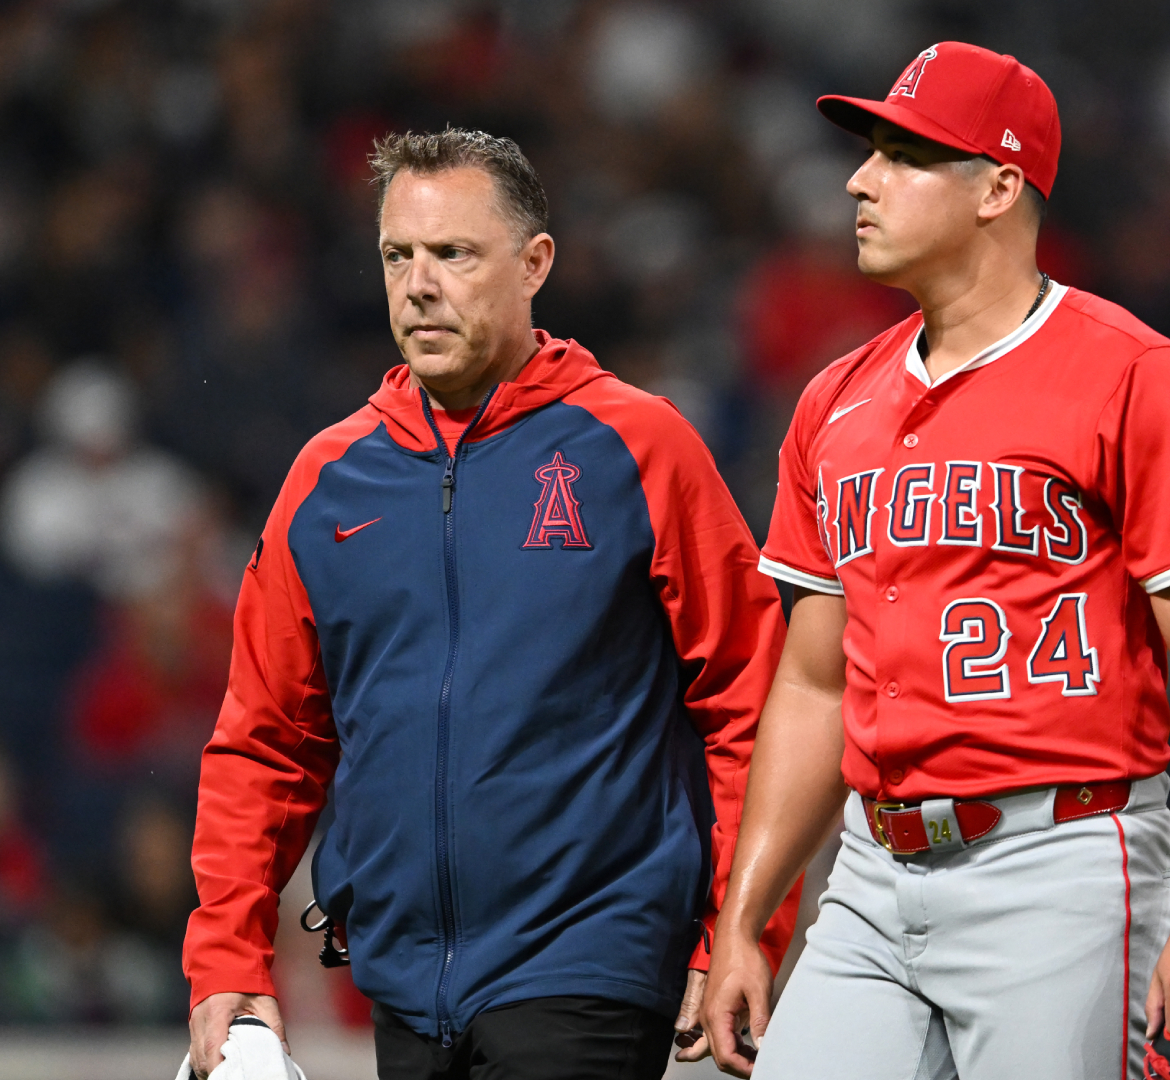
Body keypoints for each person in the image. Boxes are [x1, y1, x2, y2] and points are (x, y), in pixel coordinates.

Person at [697, 43, 1170, 1079]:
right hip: (872, 875)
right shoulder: (833, 401)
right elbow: (816, 682)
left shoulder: (1141, 377)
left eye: (904, 157)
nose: (859, 181)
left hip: (1061, 860)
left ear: (999, 188)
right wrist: (746, 918)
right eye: (870, 153)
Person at [182, 128, 798, 1080]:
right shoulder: (327, 481)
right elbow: (266, 741)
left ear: (534, 263)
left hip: (590, 960)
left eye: (454, 254)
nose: (419, 285)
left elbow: (753, 706)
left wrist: (742, 927)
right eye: (398, 255)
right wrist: (228, 956)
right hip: (399, 978)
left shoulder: (641, 449)